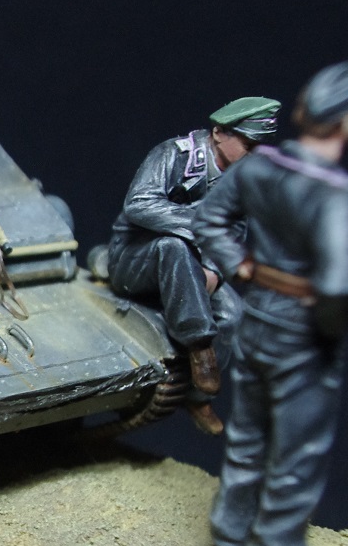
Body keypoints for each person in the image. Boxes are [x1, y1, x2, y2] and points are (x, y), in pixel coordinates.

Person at [191, 62, 348, 546]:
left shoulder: (260, 166)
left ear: (300, 113)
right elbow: (339, 287)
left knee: (247, 440)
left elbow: (209, 220)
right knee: (296, 457)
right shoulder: (336, 197)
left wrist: (242, 267)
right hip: (303, 333)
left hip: (257, 318)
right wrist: (330, 335)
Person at [104, 97, 281, 434]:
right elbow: (138, 204)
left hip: (194, 263)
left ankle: (198, 397)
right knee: (173, 246)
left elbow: (236, 229)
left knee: (233, 313)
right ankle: (199, 345)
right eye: (249, 145)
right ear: (219, 133)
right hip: (135, 259)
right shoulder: (173, 155)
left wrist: (213, 269)